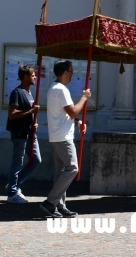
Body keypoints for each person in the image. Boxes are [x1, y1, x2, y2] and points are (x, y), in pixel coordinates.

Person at [40, 60, 91, 218]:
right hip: (62, 136)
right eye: (71, 71)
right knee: (72, 168)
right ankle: (50, 202)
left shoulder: (55, 88)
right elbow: (73, 111)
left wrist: (77, 122)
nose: (72, 74)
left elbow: (66, 114)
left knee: (61, 171)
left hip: (59, 134)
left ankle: (59, 205)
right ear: (64, 73)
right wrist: (84, 98)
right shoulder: (60, 90)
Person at [5, 64, 41, 204]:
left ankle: (15, 183)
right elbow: (12, 114)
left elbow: (27, 113)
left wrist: (33, 121)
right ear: (25, 77)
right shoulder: (17, 92)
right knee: (17, 162)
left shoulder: (29, 92)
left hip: (30, 131)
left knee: (36, 159)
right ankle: (12, 193)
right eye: (32, 75)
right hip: (20, 132)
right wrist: (30, 113)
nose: (35, 77)